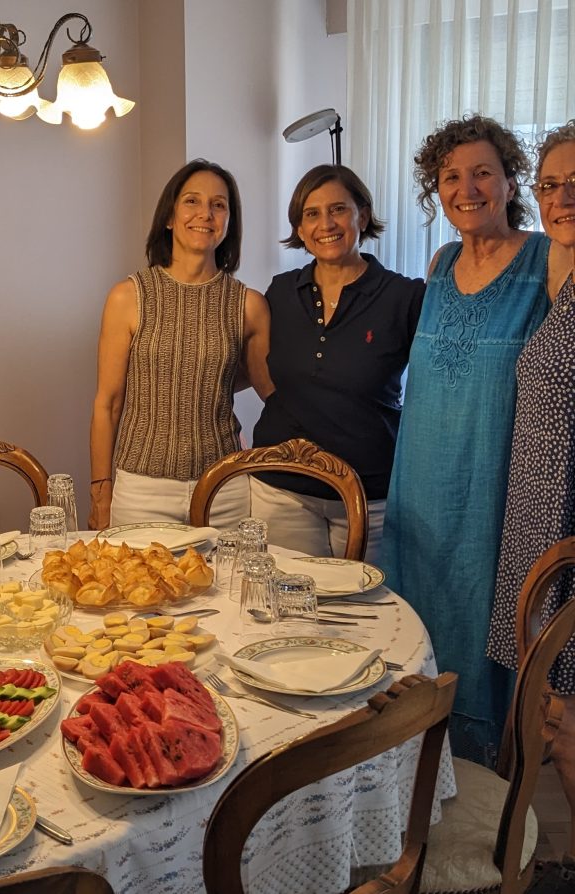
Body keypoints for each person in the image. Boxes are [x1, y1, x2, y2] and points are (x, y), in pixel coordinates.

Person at [381, 114, 559, 767]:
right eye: (451, 176)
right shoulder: (441, 260)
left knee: (487, 624)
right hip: (420, 491)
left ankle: (484, 775)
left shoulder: (548, 257)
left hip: (494, 492)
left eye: (483, 172)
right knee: (417, 622)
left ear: (511, 181)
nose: (467, 187)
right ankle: (416, 763)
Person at [250, 165, 424, 563]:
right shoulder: (280, 291)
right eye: (311, 214)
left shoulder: (404, 296)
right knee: (288, 613)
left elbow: (439, 385)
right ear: (299, 227)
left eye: (338, 210)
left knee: (365, 616)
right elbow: (257, 365)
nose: (325, 224)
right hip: (282, 489)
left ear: (362, 215)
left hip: (369, 495)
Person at [88, 159, 273, 530]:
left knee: (228, 588)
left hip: (223, 488)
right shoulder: (128, 297)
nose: (205, 213)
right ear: (170, 217)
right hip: (142, 489)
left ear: (228, 222)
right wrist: (100, 493)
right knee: (135, 588)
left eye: (218, 205)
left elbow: (271, 389)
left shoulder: (249, 305)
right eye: (192, 201)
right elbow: (107, 404)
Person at [488, 121, 575, 852]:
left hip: (567, 529)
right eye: (552, 184)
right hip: (533, 516)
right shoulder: (559, 271)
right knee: (546, 707)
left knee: (567, 718)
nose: (562, 196)